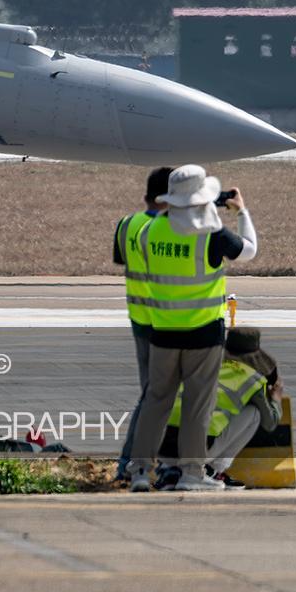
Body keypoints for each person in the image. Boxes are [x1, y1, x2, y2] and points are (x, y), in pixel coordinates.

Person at [120, 163, 260, 492]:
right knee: (198, 407)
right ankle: (192, 474)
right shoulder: (211, 234)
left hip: (162, 331)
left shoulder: (148, 231)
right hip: (203, 334)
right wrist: (241, 212)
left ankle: (140, 471)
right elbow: (249, 250)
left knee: (157, 402)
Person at [113, 166, 174, 482]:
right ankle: (130, 462)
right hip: (164, 323)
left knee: (152, 394)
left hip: (138, 319)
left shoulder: (127, 225)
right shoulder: (165, 230)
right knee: (155, 396)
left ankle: (147, 459)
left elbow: (124, 260)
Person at [163, 325, 281, 488]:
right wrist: (276, 399)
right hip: (196, 451)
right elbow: (270, 423)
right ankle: (212, 470)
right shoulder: (251, 379)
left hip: (161, 447)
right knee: (254, 413)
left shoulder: (201, 365)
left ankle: (169, 470)